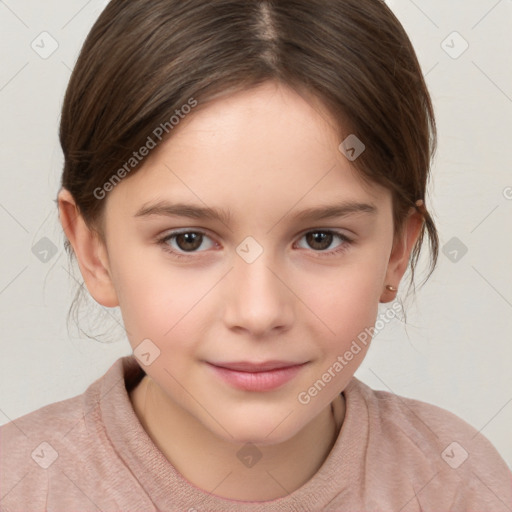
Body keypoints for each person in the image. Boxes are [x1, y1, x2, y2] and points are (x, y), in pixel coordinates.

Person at [1, 1, 510, 511]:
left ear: (398, 249)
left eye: (320, 239)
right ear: (94, 251)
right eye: (188, 240)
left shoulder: (457, 483)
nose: (259, 312)